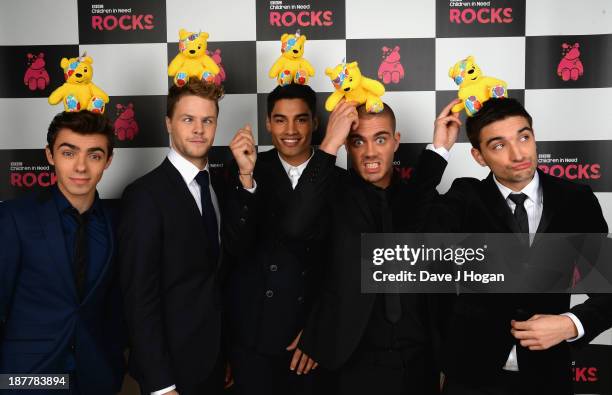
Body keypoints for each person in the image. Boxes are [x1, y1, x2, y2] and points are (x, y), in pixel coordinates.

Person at [427, 98, 612, 395]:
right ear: (479, 156)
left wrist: (570, 323)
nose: (518, 154)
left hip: (547, 376)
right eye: (499, 145)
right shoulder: (464, 198)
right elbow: (408, 232)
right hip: (471, 377)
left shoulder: (576, 200)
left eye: (524, 137)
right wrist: (438, 152)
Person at [292, 100, 457, 395]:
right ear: (347, 146)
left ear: (396, 142)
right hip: (352, 362)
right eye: (358, 141)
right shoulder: (332, 200)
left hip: (421, 363)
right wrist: (330, 141)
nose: (370, 152)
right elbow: (293, 227)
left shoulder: (422, 200)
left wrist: (439, 151)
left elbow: (407, 232)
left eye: (380, 139)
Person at [0, 110, 125, 394]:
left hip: (97, 377)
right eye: (69, 153)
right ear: (50, 155)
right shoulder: (14, 218)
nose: (80, 167)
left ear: (108, 161)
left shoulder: (119, 222)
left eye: (93, 155)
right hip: (27, 379)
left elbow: (119, 307)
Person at [118, 78, 230, 395]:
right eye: (188, 119)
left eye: (207, 120)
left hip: (215, 365)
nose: (199, 129)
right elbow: (139, 298)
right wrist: (160, 384)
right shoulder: (144, 196)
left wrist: (224, 356)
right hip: (171, 373)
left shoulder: (218, 186)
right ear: (169, 123)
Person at [223, 83, 333, 395]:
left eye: (301, 119)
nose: (291, 130)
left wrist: (317, 330)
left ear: (314, 123)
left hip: (310, 344)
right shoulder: (243, 170)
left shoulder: (337, 181)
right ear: (268, 123)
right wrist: (246, 179)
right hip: (253, 340)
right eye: (280, 119)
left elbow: (343, 267)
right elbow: (234, 249)